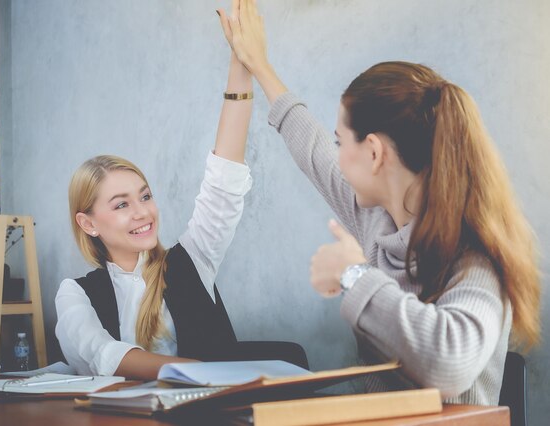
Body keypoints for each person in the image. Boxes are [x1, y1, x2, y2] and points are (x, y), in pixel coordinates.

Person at [218, 0, 541, 405]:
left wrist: (354, 275)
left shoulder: (474, 256)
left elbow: (448, 365)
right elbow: (311, 148)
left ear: (373, 153)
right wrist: (259, 65)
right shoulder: (378, 219)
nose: (335, 155)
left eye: (342, 142)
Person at [56, 26, 306, 380]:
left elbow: (224, 182)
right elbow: (97, 353)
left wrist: (241, 62)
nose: (143, 212)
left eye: (145, 196)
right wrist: (200, 372)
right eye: (121, 204)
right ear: (88, 223)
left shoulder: (193, 260)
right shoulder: (74, 294)